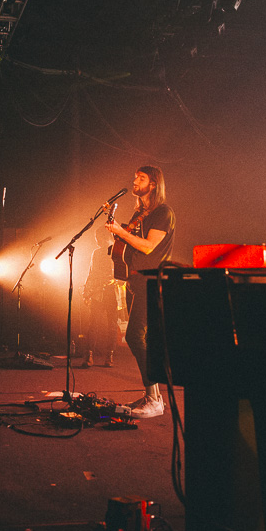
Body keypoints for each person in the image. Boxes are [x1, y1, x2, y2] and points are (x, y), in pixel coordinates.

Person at [105, 166, 175, 418]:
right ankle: (152, 396)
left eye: (141, 178)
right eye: (135, 177)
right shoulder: (139, 214)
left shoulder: (162, 212)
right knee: (143, 338)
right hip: (134, 281)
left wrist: (120, 232)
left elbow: (148, 247)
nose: (135, 181)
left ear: (154, 184)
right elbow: (127, 247)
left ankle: (155, 399)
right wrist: (118, 234)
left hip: (151, 282)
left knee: (135, 336)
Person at [81, 225, 123, 368]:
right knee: (93, 325)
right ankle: (89, 355)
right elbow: (91, 272)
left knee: (112, 325)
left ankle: (109, 355)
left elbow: (123, 273)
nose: (97, 241)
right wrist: (87, 290)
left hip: (113, 292)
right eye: (96, 239)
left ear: (106, 237)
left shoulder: (118, 251)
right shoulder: (97, 253)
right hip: (98, 292)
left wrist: (114, 280)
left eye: (99, 238)